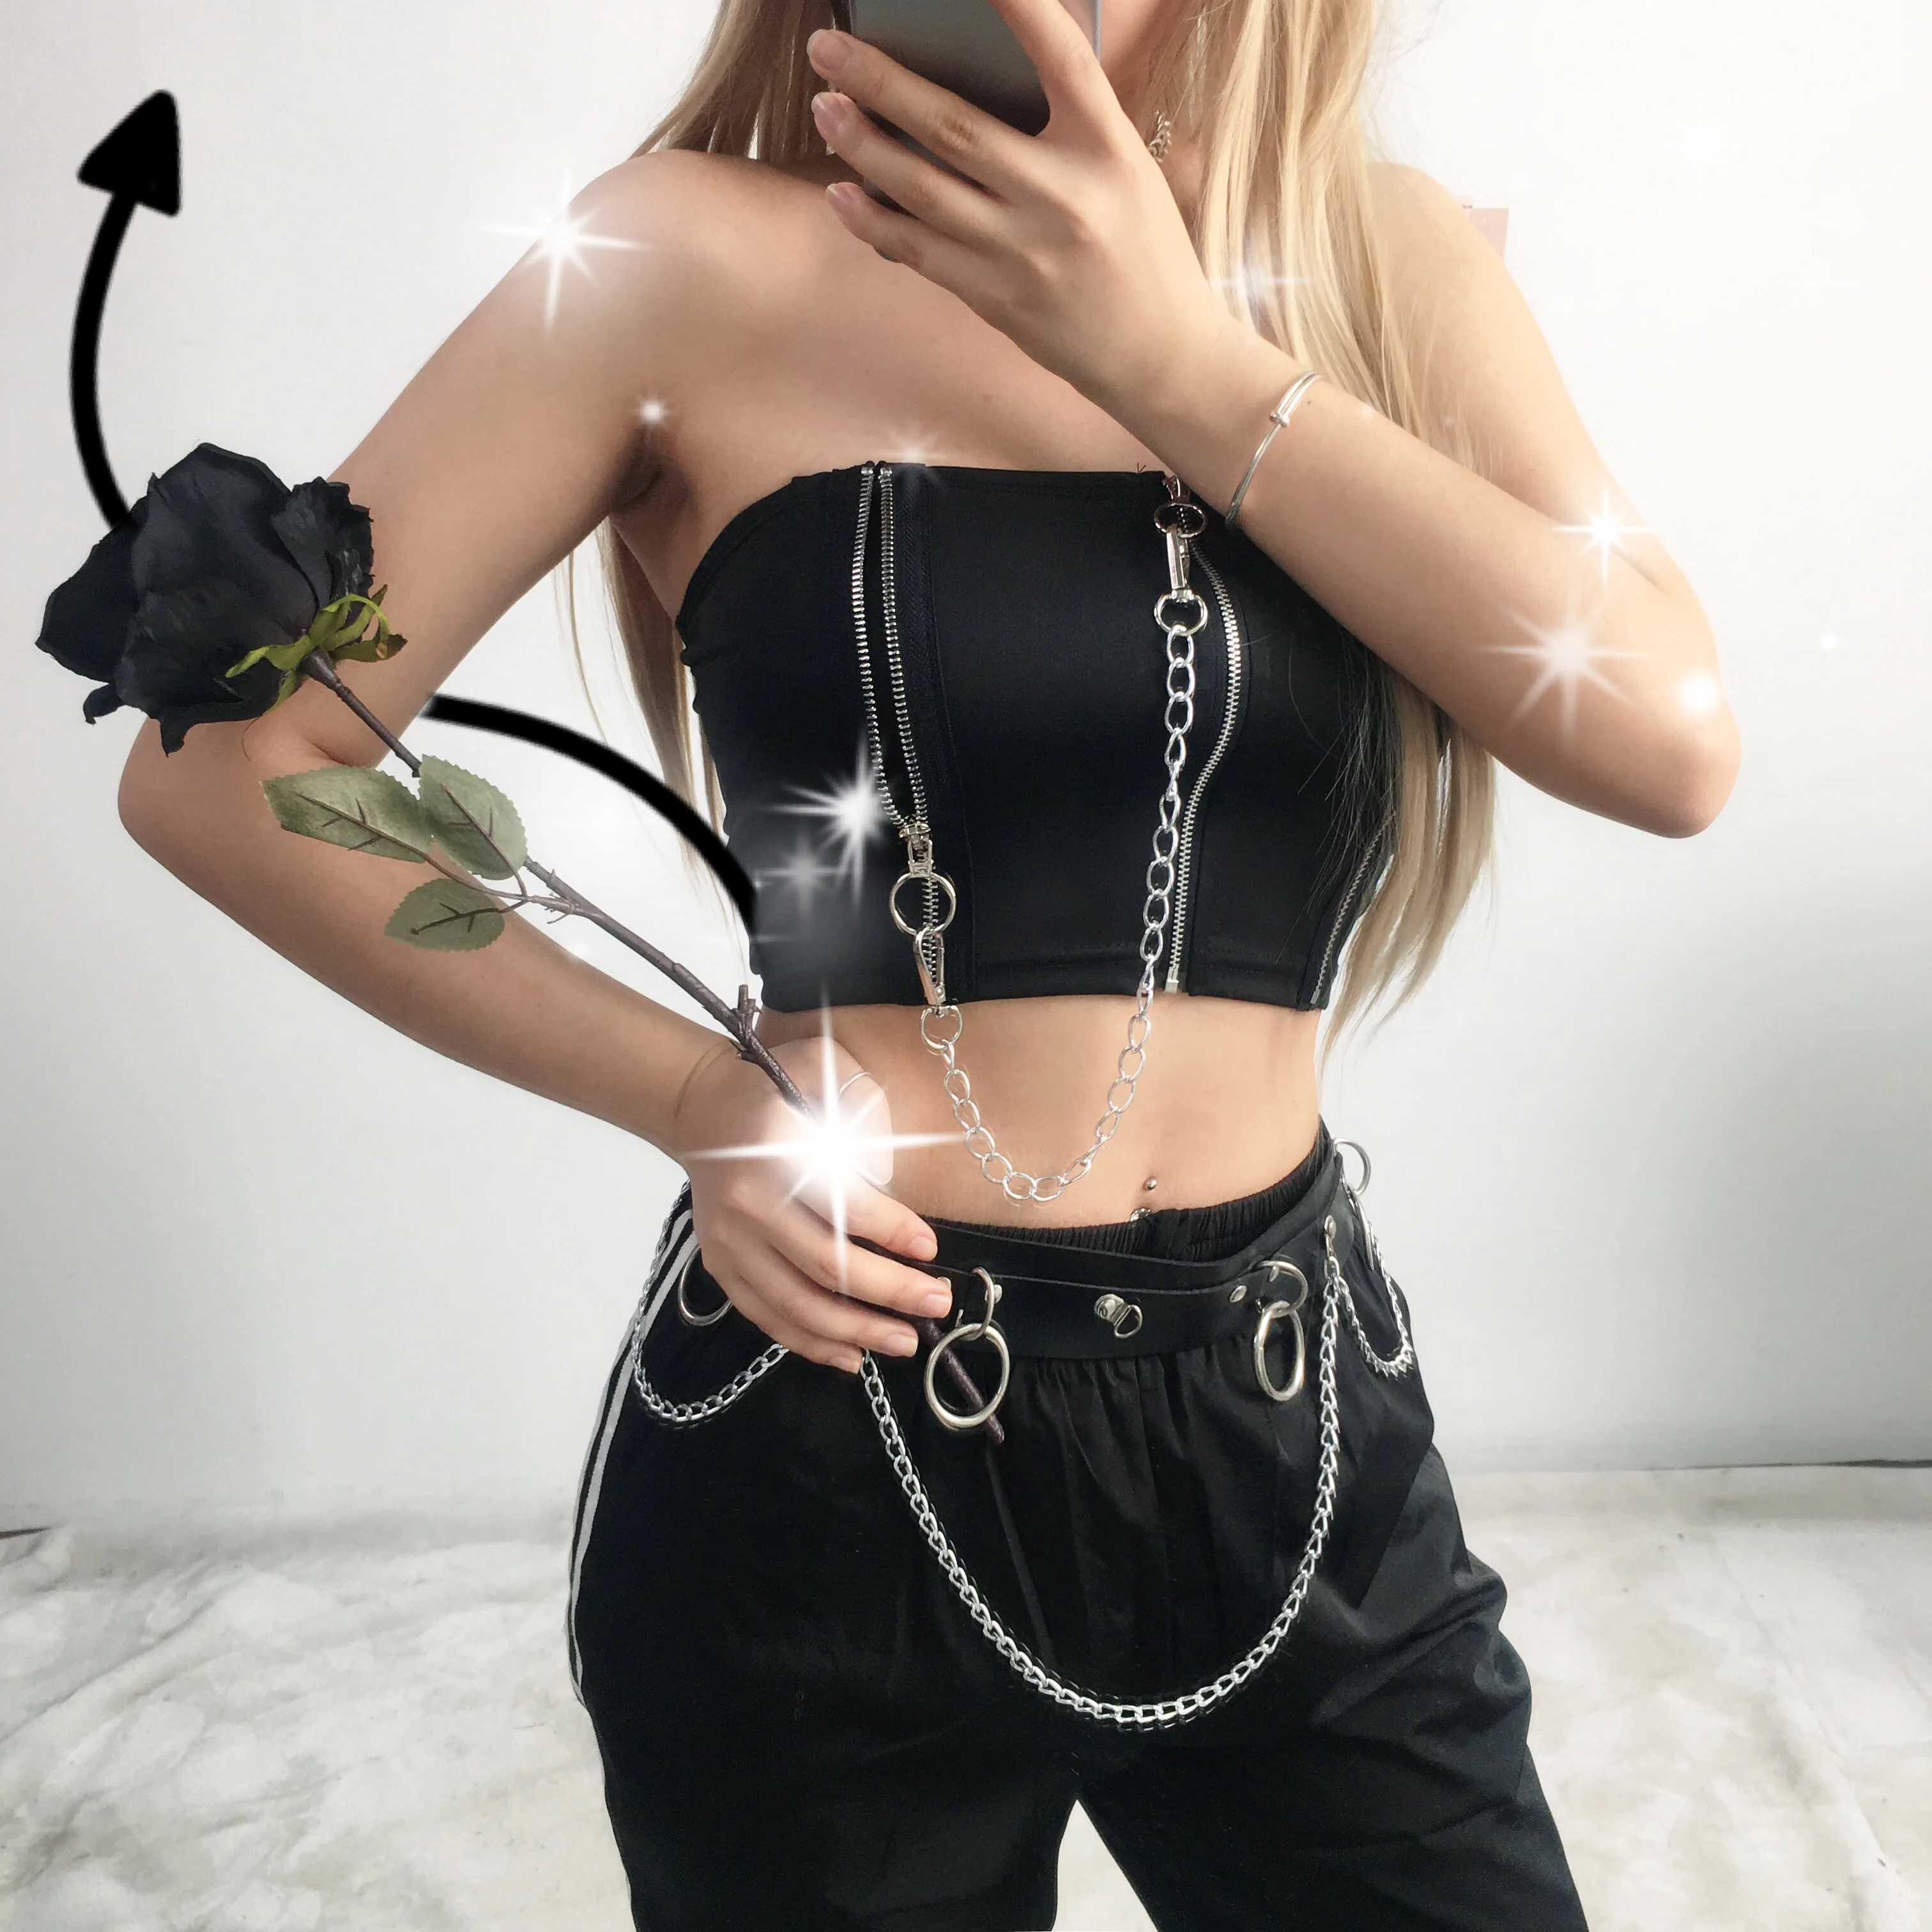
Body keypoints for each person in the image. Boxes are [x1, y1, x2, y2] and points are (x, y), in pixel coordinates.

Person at [116, 0, 1738, 1924]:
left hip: (1293, 1428)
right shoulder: (674, 257)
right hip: (826, 1427)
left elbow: (1670, 745)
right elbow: (225, 770)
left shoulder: (1383, 266)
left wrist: (1170, 355)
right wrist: (696, 1096)